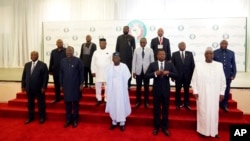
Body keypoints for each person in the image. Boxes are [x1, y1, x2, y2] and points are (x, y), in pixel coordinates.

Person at [191, 47, 226, 138]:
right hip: (203, 93)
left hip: (214, 93)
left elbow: (223, 80)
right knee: (203, 111)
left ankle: (214, 131)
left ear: (213, 55)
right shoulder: (199, 65)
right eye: (207, 54)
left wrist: (222, 92)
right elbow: (194, 79)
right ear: (204, 55)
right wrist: (195, 91)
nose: (209, 55)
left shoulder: (219, 65)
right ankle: (203, 131)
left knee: (214, 112)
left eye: (211, 54)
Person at [145, 49, 177, 136]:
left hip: (166, 91)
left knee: (165, 110)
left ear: (165, 55)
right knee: (156, 110)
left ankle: (165, 127)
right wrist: (155, 74)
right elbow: (146, 76)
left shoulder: (170, 64)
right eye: (160, 54)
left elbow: (176, 75)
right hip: (156, 91)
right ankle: (156, 127)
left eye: (163, 54)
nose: (161, 56)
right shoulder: (153, 64)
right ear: (157, 55)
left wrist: (169, 73)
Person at [105, 52, 131, 131]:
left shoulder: (124, 66)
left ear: (120, 58)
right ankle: (114, 122)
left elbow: (127, 77)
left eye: (117, 57)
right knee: (113, 104)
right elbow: (107, 78)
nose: (115, 59)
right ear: (112, 59)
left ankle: (122, 122)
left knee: (121, 105)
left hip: (121, 91)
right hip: (112, 91)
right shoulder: (109, 67)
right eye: (114, 57)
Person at [21, 51, 49, 124]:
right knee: (30, 104)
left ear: (37, 56)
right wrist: (23, 86)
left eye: (34, 55)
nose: (33, 56)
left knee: (41, 104)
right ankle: (30, 117)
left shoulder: (43, 65)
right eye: (31, 55)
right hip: (29, 88)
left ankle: (42, 117)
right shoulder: (27, 65)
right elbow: (24, 76)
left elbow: (45, 77)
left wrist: (44, 87)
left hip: (39, 89)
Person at [60, 46, 84, 128]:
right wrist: (61, 85)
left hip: (76, 86)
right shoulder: (62, 61)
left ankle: (75, 120)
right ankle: (68, 119)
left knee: (76, 104)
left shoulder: (78, 61)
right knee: (67, 104)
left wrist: (81, 84)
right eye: (67, 51)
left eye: (70, 51)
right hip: (66, 86)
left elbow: (81, 73)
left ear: (73, 52)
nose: (68, 52)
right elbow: (61, 74)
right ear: (65, 52)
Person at [213, 40, 237, 112]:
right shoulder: (215, 52)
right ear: (220, 44)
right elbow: (212, 64)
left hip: (227, 75)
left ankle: (224, 105)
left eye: (225, 44)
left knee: (226, 91)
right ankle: (216, 104)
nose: (224, 45)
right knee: (216, 90)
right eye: (222, 43)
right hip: (217, 75)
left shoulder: (231, 53)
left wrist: (233, 74)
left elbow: (233, 64)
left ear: (227, 45)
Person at [171, 42, 195, 110]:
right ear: (178, 46)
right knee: (178, 91)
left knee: (186, 91)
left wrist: (192, 77)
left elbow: (192, 66)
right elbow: (172, 66)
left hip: (187, 76)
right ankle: (178, 103)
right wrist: (172, 76)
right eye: (181, 45)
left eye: (183, 45)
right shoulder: (174, 54)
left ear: (185, 46)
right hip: (178, 76)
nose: (182, 46)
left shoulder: (190, 54)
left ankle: (186, 104)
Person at [132, 37, 154, 108]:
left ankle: (146, 102)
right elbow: (134, 61)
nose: (142, 43)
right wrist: (134, 71)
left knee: (146, 87)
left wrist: (151, 72)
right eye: (141, 42)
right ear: (139, 43)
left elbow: (152, 62)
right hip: (138, 71)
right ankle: (138, 101)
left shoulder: (150, 50)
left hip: (147, 72)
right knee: (138, 87)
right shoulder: (136, 50)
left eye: (143, 42)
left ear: (146, 42)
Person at [91, 38, 112, 106]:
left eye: (103, 43)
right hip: (98, 72)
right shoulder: (96, 52)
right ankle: (99, 99)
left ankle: (106, 100)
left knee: (107, 87)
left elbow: (112, 62)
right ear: (99, 44)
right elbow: (93, 62)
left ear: (106, 43)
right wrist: (93, 71)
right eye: (100, 43)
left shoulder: (110, 51)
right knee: (98, 86)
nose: (102, 44)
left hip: (107, 72)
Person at [49, 39, 66, 103]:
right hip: (55, 71)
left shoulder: (66, 50)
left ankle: (66, 97)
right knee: (56, 86)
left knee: (65, 85)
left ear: (62, 43)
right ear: (56, 44)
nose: (59, 43)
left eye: (61, 42)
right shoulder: (53, 51)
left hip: (64, 72)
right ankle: (57, 97)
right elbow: (51, 61)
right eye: (58, 42)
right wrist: (50, 70)